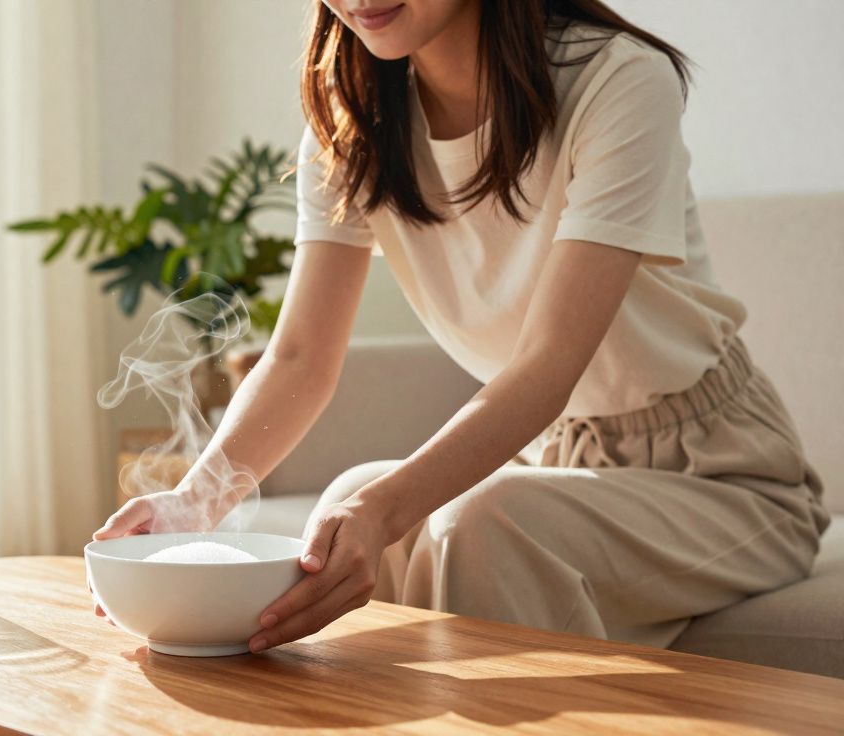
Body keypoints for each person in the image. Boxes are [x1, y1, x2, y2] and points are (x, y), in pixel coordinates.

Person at [92, 0, 830, 654]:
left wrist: (381, 510)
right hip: (556, 458)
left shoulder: (618, 81)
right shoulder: (352, 128)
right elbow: (298, 359)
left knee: (478, 521)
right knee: (356, 492)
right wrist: (193, 504)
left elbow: (547, 364)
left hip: (722, 475)